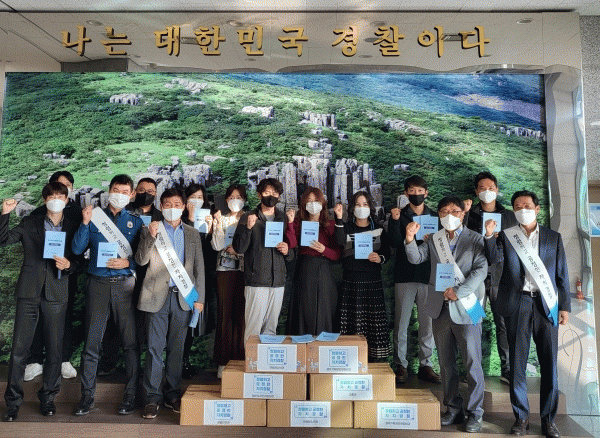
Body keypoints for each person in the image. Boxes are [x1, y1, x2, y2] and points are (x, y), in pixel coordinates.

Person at [484, 190, 570, 438]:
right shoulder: (506, 236)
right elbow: (493, 259)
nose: (523, 209)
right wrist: (489, 236)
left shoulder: (553, 237)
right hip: (517, 302)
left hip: (546, 305)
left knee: (549, 364)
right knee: (517, 364)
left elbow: (562, 274)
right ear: (513, 211)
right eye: (518, 206)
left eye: (527, 206)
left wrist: (564, 306)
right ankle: (521, 418)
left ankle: (548, 420)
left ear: (537, 209)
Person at [405, 196, 487, 433]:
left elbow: (481, 270)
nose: (449, 215)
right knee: (446, 363)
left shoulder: (476, 238)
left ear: (463, 213)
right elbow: (416, 258)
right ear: (439, 216)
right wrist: (409, 238)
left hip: (469, 305)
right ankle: (453, 407)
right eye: (444, 212)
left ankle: (475, 413)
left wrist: (458, 292)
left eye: (454, 211)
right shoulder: (435, 239)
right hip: (439, 307)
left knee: (472, 362)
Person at [1, 182, 82, 421]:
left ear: (66, 200)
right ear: (45, 199)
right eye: (51, 195)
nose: (56, 199)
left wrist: (70, 265)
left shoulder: (74, 225)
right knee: (19, 350)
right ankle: (13, 402)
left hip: (57, 291)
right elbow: (3, 239)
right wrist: (4, 214)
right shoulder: (30, 223)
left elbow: (82, 257)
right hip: (29, 291)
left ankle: (48, 398)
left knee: (55, 349)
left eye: (60, 196)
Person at [71, 174, 143, 416]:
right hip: (97, 284)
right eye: (116, 190)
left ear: (131, 195)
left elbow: (144, 258)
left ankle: (130, 397)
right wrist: (84, 223)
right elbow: (77, 249)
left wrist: (128, 262)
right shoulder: (94, 217)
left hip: (125, 286)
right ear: (109, 190)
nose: (119, 195)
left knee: (130, 344)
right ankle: (86, 397)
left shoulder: (136, 222)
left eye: (124, 192)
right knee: (92, 344)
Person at [135, 188, 205, 419]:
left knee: (177, 349)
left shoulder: (192, 233)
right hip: (156, 297)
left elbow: (199, 268)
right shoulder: (152, 229)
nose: (172, 208)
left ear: (184, 207)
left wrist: (200, 299)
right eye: (167, 204)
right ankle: (151, 397)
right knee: (154, 349)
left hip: (183, 298)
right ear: (161, 206)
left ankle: (173, 395)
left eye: (176, 204)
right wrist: (150, 236)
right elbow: (141, 260)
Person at [27, 171, 82, 382]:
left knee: (64, 317)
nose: (61, 189)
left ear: (70, 191)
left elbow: (81, 247)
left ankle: (64, 359)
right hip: (39, 275)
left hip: (65, 275)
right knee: (37, 316)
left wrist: (70, 265)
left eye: (66, 186)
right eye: (57, 186)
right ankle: (35, 360)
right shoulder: (37, 214)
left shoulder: (78, 214)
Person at [464, 171, 518, 384]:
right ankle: (472, 370)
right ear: (476, 191)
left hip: (500, 278)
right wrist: (465, 215)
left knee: (502, 323)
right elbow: (461, 240)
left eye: (491, 188)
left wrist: (498, 239)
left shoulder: (509, 216)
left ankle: (508, 369)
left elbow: (515, 246)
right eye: (482, 188)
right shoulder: (470, 215)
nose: (487, 192)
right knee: (473, 321)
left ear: (497, 189)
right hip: (474, 279)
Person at [388, 175, 440, 384]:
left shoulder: (435, 216)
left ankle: (426, 365)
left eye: (420, 191)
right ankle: (400, 364)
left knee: (428, 324)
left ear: (426, 193)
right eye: (412, 191)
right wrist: (394, 221)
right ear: (406, 193)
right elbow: (393, 243)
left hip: (429, 276)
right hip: (405, 275)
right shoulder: (399, 215)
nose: (416, 194)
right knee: (401, 323)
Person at [232, 177, 292, 343]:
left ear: (279, 196)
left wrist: (287, 251)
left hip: (278, 281)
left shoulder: (283, 218)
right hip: (256, 281)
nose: (271, 196)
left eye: (274, 193)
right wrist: (248, 228)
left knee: (271, 329)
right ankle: (251, 360)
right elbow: (239, 248)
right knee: (253, 331)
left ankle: (267, 360)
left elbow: (292, 252)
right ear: (259, 195)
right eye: (266, 192)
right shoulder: (248, 217)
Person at [334, 191, 391, 361]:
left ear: (370, 207)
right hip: (351, 280)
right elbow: (339, 242)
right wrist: (338, 218)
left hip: (372, 280)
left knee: (373, 321)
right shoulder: (347, 228)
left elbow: (387, 252)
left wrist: (379, 258)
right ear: (352, 208)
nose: (361, 208)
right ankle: (351, 359)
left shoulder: (378, 228)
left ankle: (375, 360)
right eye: (358, 204)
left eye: (365, 204)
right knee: (352, 320)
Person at [285, 187, 341, 335]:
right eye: (309, 201)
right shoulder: (298, 223)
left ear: (322, 203)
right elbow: (292, 244)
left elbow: (337, 254)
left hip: (324, 270)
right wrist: (290, 222)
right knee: (304, 308)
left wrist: (324, 250)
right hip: (304, 268)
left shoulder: (330, 225)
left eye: (316, 200)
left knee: (323, 309)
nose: (312, 204)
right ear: (304, 204)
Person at [211, 184, 247, 378]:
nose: (235, 200)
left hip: (244, 272)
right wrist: (217, 224)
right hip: (224, 272)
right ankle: (223, 362)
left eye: (239, 197)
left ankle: (240, 360)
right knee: (225, 315)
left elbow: (253, 247)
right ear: (226, 200)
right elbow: (217, 246)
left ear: (244, 200)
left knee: (241, 316)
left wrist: (238, 251)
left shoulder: (249, 219)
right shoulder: (222, 219)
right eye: (232, 197)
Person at [180, 183, 215, 378]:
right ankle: (178, 362)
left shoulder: (208, 219)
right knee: (180, 321)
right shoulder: (180, 220)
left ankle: (185, 360)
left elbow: (208, 252)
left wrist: (210, 232)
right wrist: (191, 220)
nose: (196, 200)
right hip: (182, 278)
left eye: (200, 197)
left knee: (192, 321)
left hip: (201, 278)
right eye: (192, 196)